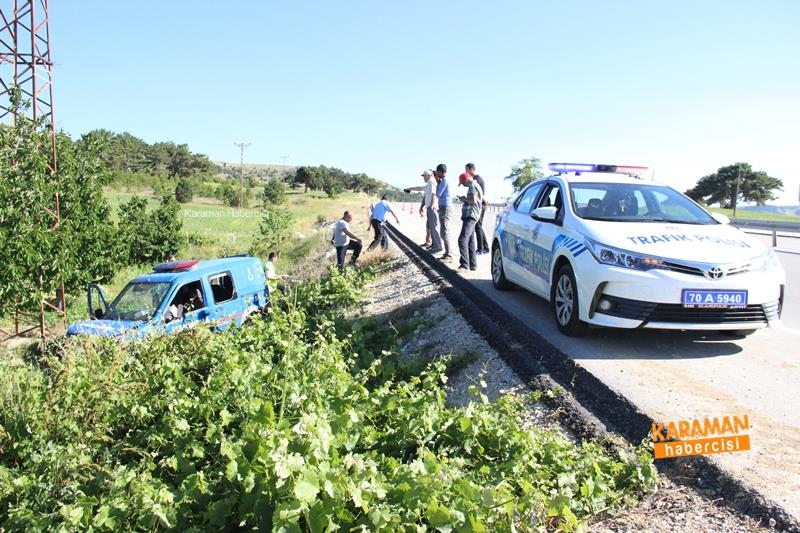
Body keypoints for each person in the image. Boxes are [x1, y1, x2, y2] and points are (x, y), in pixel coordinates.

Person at [404, 169, 442, 254]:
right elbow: (420, 188)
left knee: (433, 227)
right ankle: (433, 244)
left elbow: (434, 194)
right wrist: (410, 188)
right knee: (430, 227)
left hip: (432, 208)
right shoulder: (429, 183)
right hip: (429, 208)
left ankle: (437, 246)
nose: (423, 178)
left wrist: (432, 206)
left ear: (429, 175)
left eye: (424, 176)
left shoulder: (432, 182)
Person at [457, 171, 483, 271]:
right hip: (473, 215)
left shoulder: (472, 185)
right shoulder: (476, 185)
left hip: (471, 215)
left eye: (463, 183)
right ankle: (473, 264)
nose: (463, 185)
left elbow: (473, 200)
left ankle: (464, 265)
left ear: (467, 179)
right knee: (470, 241)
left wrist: (464, 199)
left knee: (462, 239)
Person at [466, 163, 490, 254]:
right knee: (478, 226)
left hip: (480, 206)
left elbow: (480, 195)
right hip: (479, 205)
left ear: (471, 169)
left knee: (478, 226)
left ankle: (480, 249)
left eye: (467, 170)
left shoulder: (478, 180)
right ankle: (486, 247)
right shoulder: (474, 179)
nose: (466, 172)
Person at [434, 163, 452, 261]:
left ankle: (449, 254)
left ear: (440, 172)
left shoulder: (444, 181)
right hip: (443, 206)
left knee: (445, 230)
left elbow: (438, 193)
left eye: (437, 172)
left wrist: (437, 181)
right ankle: (447, 253)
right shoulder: (443, 180)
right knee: (443, 230)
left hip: (445, 207)